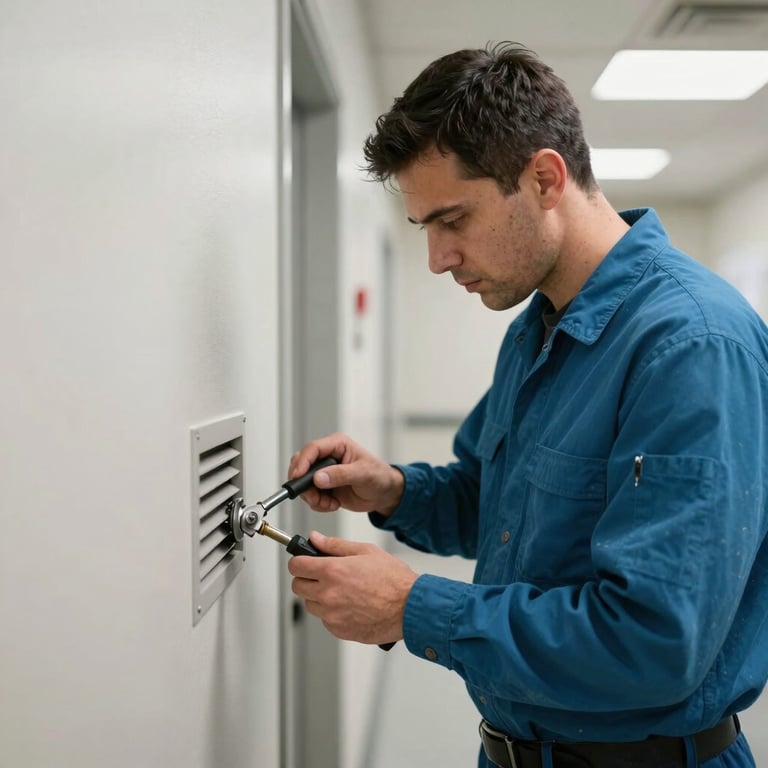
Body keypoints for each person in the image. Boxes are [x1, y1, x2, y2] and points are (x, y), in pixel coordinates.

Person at [286, 42, 768, 768]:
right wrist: (394, 489)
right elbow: (503, 509)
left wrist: (411, 607)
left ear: (545, 177)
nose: (437, 259)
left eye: (454, 219)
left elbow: (653, 642)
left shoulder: (690, 346)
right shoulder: (538, 326)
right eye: (425, 229)